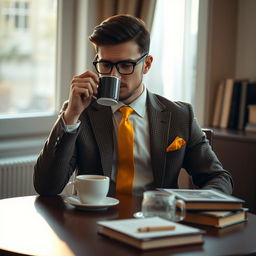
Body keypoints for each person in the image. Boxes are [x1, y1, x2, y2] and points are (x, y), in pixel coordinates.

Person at [33, 14, 233, 197]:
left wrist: (192, 208)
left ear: (146, 65)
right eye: (105, 65)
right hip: (93, 225)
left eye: (126, 65)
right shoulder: (81, 113)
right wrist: (70, 117)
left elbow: (217, 178)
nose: (114, 76)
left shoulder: (179, 115)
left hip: (156, 224)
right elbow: (46, 187)